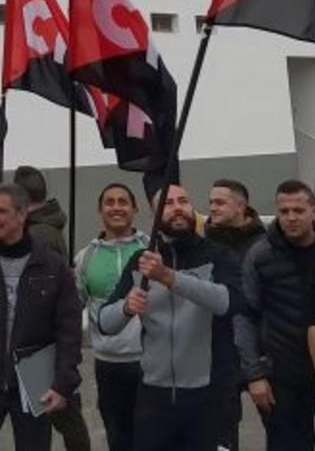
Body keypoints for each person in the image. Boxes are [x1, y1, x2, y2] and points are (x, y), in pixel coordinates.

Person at [98, 184, 233, 451]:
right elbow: (105, 322)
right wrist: (126, 307)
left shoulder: (217, 254)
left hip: (207, 394)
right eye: (168, 204)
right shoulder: (141, 260)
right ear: (153, 216)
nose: (178, 208)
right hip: (153, 396)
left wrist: (169, 277)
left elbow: (227, 303)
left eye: (183, 201)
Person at [0, 183, 83, 451]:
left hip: (33, 380)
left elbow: (69, 332)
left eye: (0, 211)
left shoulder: (53, 267)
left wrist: (63, 384)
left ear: (22, 214)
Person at [238, 180, 315, 451]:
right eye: (284, 211)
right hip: (282, 378)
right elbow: (244, 316)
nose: (291, 217)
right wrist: (254, 375)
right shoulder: (259, 254)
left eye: (299, 210)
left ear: (313, 212)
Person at [12, 166, 89, 451]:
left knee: (55, 415)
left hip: (40, 342)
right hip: (47, 339)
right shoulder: (46, 229)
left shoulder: (37, 235)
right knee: (58, 414)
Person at [76, 184, 146, 451]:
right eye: (109, 202)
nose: (116, 207)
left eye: (123, 202)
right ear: (100, 210)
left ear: (135, 209)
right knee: (119, 441)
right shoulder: (86, 257)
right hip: (109, 366)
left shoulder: (152, 248)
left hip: (150, 362)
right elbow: (73, 308)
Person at [205, 179, 262, 451]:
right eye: (210, 202)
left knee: (284, 432)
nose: (211, 208)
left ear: (241, 206)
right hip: (217, 356)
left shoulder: (264, 246)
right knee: (222, 440)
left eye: (220, 202)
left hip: (262, 352)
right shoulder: (203, 248)